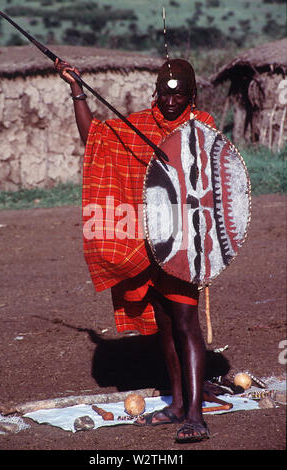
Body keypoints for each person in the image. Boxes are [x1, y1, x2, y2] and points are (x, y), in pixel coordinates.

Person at [55, 57, 216, 443]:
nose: (170, 102)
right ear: (155, 93)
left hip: (183, 244)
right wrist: (77, 89)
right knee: (164, 325)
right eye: (164, 94)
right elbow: (94, 137)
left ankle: (195, 415)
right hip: (147, 243)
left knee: (185, 322)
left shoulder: (202, 125)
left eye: (178, 96)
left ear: (192, 96)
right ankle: (178, 403)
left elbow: (206, 178)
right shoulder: (138, 125)